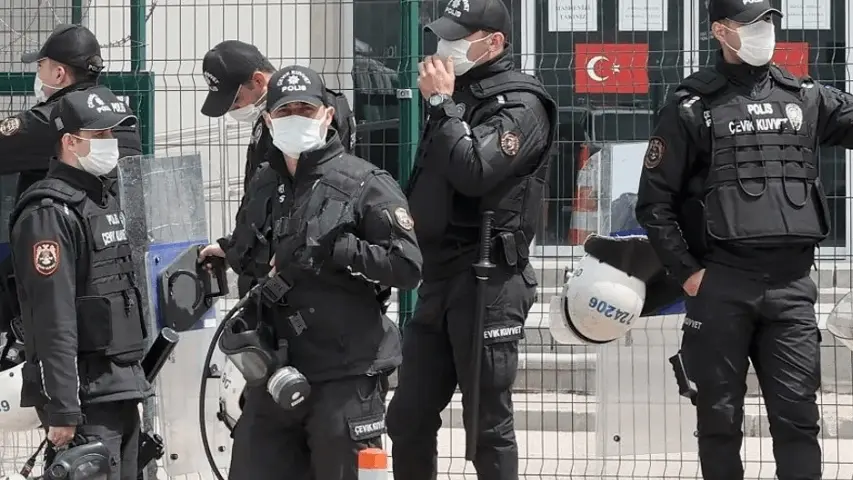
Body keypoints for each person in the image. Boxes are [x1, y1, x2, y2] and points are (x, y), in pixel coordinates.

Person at [635, 0, 853, 478]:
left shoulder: (805, 96)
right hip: (721, 284)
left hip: (792, 287)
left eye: (769, 21)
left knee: (798, 422)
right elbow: (654, 203)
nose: (765, 31)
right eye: (752, 23)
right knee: (718, 421)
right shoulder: (691, 105)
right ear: (721, 31)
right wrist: (688, 274)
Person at [201, 65, 422, 479]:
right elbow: (252, 251)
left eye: (305, 109)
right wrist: (228, 252)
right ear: (269, 121)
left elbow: (407, 266)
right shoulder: (265, 182)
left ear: (327, 115)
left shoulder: (364, 183)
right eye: (285, 111)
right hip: (275, 371)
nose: (295, 118)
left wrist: (338, 248)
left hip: (345, 373)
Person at [384, 0, 558, 477]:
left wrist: (442, 105)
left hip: (489, 279)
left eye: (458, 37)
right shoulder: (460, 98)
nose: (445, 47)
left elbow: (475, 170)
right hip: (439, 276)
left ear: (494, 42)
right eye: (444, 36)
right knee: (408, 415)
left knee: (486, 425)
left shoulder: (521, 103)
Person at [8, 87, 152, 480]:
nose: (111, 142)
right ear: (70, 142)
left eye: (113, 133)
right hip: (86, 398)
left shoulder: (101, 200)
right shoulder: (48, 214)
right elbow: (52, 318)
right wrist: (63, 409)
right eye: (100, 135)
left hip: (118, 388)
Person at [199, 40, 358, 296]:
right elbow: (262, 194)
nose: (233, 108)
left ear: (258, 81)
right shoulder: (269, 116)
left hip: (298, 271)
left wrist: (290, 249)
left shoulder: (306, 118)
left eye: (235, 99)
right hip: (271, 260)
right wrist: (233, 247)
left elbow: (314, 194)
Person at [1, 23, 142, 197]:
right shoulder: (122, 113)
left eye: (40, 67)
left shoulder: (56, 117)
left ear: (59, 74)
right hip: (119, 211)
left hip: (63, 214)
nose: (38, 74)